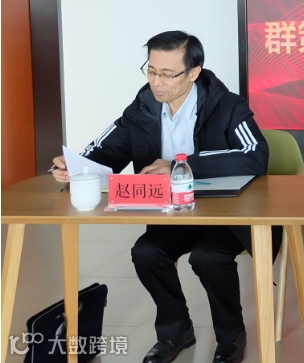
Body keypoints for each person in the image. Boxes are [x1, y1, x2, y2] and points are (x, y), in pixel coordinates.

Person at [51, 31, 273, 363]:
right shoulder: (143, 107)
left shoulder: (227, 106)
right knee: (146, 252)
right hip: (172, 214)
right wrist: (76, 167)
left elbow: (255, 156)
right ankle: (175, 331)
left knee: (207, 257)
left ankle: (231, 337)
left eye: (168, 74)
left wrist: (180, 165)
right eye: (151, 70)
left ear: (193, 72)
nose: (157, 82)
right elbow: (105, 151)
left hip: (226, 215)